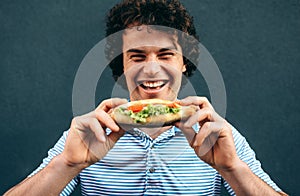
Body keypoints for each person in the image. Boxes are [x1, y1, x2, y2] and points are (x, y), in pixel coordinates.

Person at [5, 0, 287, 195]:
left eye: (165, 55)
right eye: (137, 56)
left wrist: (233, 168)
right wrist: (67, 164)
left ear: (184, 62)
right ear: (122, 65)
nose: (152, 69)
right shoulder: (90, 133)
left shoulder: (216, 133)